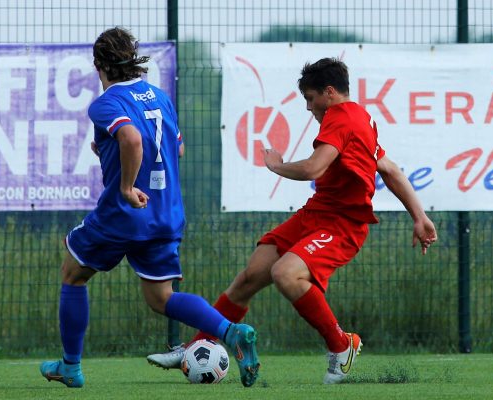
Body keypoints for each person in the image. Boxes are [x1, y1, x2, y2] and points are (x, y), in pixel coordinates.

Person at [147, 57, 438, 384]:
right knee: (249, 277)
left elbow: (314, 168)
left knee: (286, 273)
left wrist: (276, 166)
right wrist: (420, 216)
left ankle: (342, 346)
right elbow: (390, 169)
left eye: (310, 99)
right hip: (316, 214)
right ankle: (199, 345)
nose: (308, 107)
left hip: (342, 224)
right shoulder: (360, 117)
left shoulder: (340, 118)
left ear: (329, 93)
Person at [40, 27, 260, 388]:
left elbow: (131, 138)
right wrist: (112, 153)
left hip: (123, 215)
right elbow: (176, 149)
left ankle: (70, 366)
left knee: (73, 274)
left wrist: (126, 186)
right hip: (165, 214)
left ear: (99, 65)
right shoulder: (158, 96)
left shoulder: (106, 102)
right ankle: (230, 331)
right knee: (161, 297)